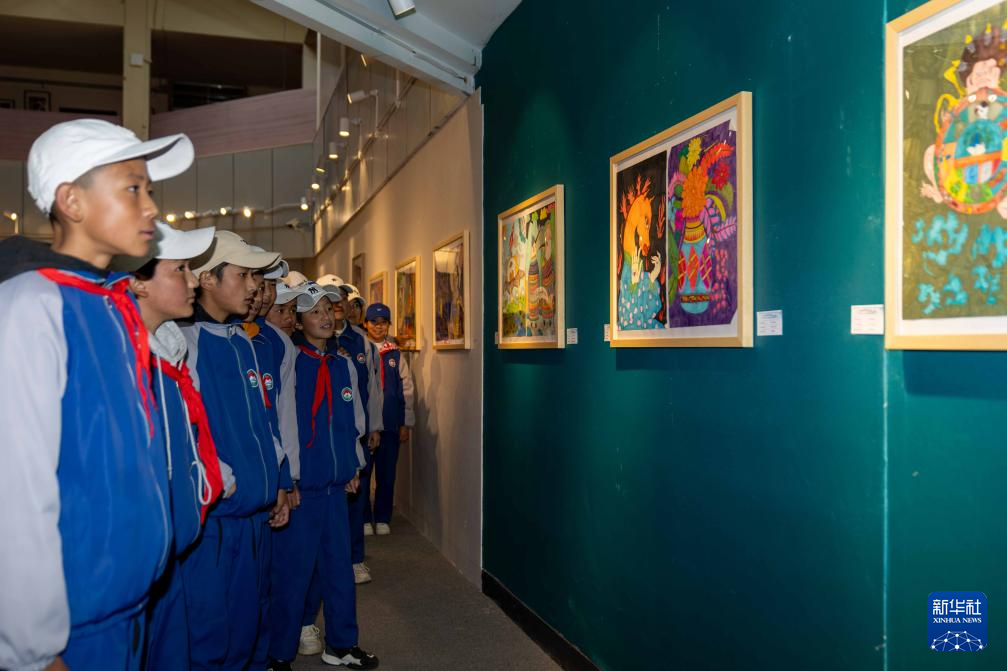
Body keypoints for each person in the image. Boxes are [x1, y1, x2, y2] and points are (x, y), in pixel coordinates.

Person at [0, 118, 193, 671]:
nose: (151, 207)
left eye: (149, 190)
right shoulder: (32, 307)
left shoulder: (111, 306)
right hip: (70, 627)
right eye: (132, 188)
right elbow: (16, 485)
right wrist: (32, 648)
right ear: (72, 202)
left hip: (126, 604)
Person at [179, 230, 291, 671]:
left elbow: (265, 421)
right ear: (208, 278)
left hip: (254, 515)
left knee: (251, 625)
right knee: (212, 636)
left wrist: (278, 480)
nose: (254, 287)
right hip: (217, 523)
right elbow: (187, 434)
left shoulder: (241, 340)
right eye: (243, 275)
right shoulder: (185, 343)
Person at [118, 221, 224, 671]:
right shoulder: (120, 361)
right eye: (180, 269)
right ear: (138, 283)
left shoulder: (168, 353)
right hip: (136, 564)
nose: (193, 280)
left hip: (174, 548)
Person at [267, 282, 378, 671]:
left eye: (328, 309)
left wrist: (353, 464)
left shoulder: (343, 364)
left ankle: (342, 644)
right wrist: (289, 478)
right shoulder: (291, 362)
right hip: (303, 489)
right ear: (299, 322)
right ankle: (280, 653)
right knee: (294, 575)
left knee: (339, 570)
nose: (326, 317)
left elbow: (354, 422)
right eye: (314, 312)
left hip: (335, 488)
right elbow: (283, 424)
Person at [362, 303, 414, 536]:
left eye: (383, 323)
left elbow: (406, 389)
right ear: (366, 324)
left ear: (388, 326)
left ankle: (383, 517)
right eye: (373, 322)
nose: (378, 327)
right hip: (366, 426)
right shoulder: (360, 349)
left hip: (390, 424)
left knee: (387, 475)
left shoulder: (395, 353)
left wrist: (405, 423)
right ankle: (364, 518)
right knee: (364, 474)